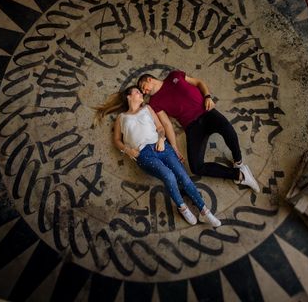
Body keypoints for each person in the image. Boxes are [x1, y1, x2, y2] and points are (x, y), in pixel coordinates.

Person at [94, 86, 221, 228]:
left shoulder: (147, 108)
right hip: (143, 154)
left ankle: (205, 211)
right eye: (137, 92)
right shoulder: (121, 118)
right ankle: (182, 208)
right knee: (168, 176)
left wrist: (161, 139)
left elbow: (160, 127)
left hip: (161, 146)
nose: (141, 93)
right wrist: (128, 150)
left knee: (183, 176)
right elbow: (116, 140)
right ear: (129, 97)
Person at [137, 70, 260, 193]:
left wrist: (207, 96)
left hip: (206, 111)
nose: (144, 92)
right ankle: (240, 175)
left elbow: (198, 82)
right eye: (143, 92)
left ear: (149, 79)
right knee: (196, 167)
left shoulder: (174, 75)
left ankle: (238, 162)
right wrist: (174, 146)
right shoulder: (154, 102)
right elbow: (167, 124)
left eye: (143, 88)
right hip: (192, 127)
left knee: (228, 130)